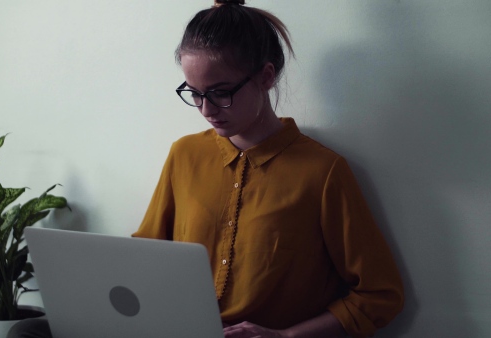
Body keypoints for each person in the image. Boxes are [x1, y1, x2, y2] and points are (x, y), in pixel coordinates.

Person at [132, 0, 404, 337]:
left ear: (266, 76)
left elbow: (380, 296)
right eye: (195, 93)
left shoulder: (323, 173)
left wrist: (284, 337)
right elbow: (143, 259)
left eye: (220, 93)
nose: (205, 109)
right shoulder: (184, 155)